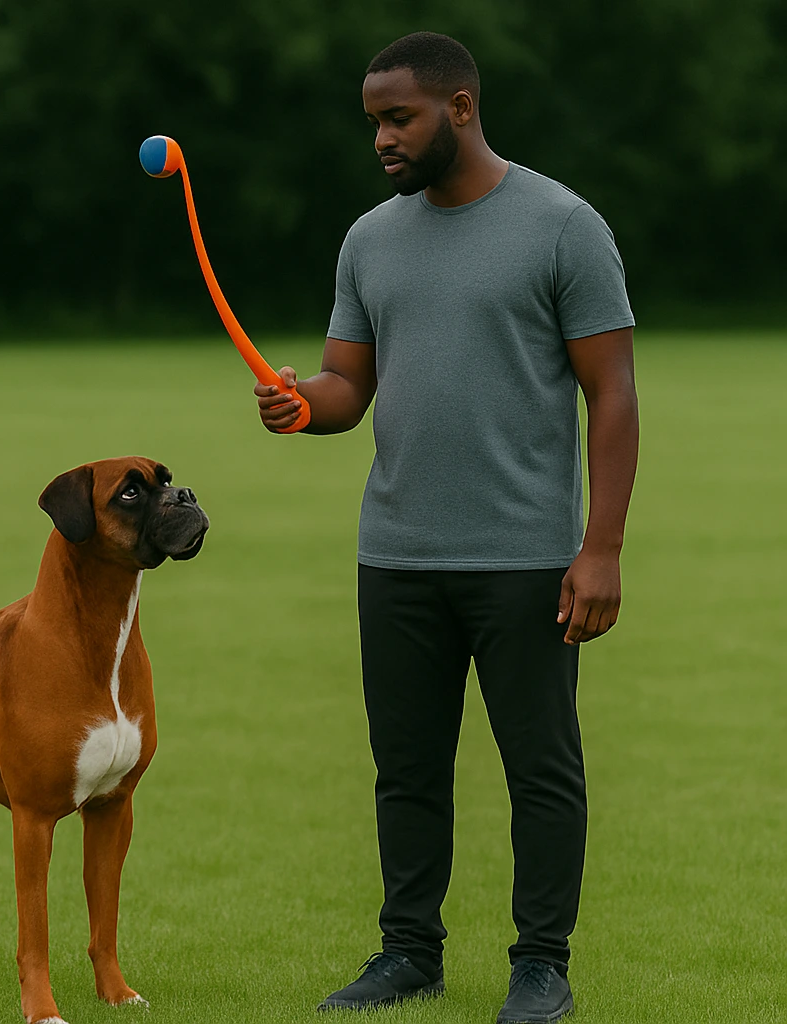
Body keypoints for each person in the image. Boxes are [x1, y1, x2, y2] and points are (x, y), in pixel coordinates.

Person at [255, 31, 638, 1024]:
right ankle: (406, 954)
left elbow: (614, 396)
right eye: (374, 121)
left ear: (459, 108)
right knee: (407, 771)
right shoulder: (369, 239)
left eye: (399, 117)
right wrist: (303, 401)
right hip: (396, 556)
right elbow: (347, 386)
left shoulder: (562, 225)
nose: (381, 138)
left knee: (541, 771)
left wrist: (600, 548)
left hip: (526, 560)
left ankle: (540, 966)